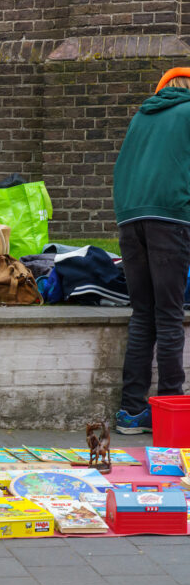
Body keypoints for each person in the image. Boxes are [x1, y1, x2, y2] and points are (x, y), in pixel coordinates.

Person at [112, 68, 190, 435]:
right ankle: (171, 409)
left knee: (143, 314)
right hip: (170, 219)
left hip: (130, 221)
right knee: (171, 315)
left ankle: (131, 411)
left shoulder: (140, 116)